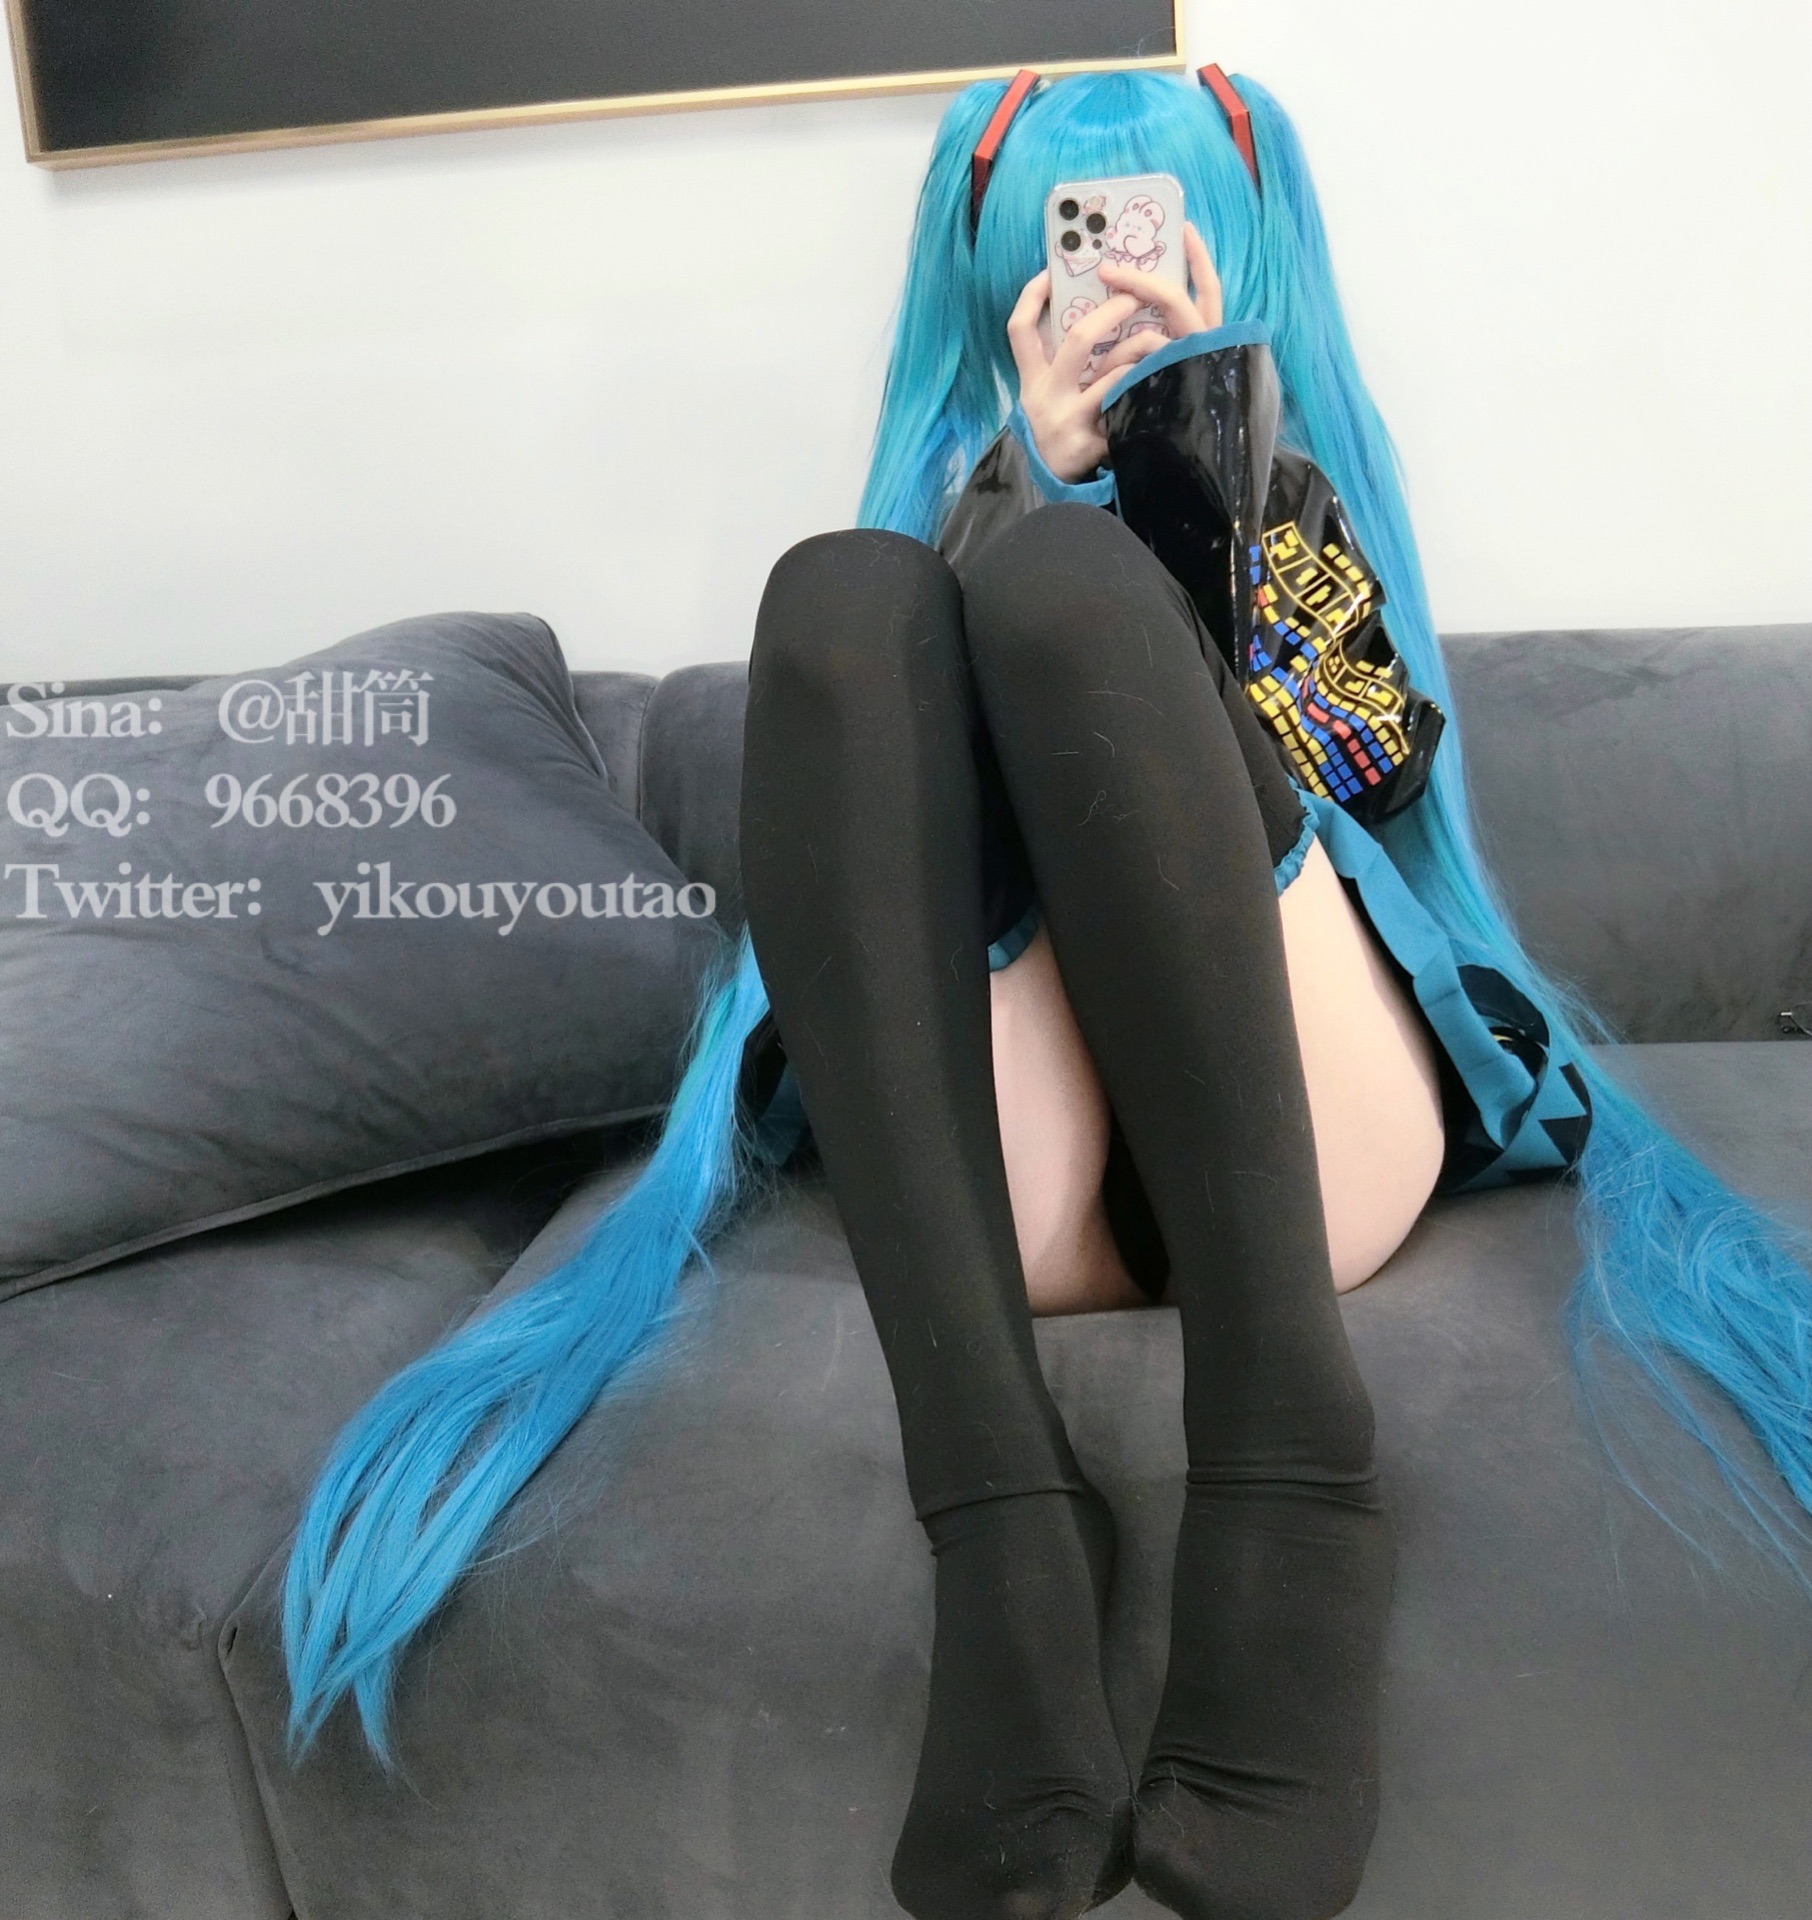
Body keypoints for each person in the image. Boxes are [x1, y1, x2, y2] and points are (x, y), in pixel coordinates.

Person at [280, 67, 1812, 1920]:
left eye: (1150, 242)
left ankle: (1291, 1473)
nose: (1114, 278)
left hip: (1304, 1136)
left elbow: (1375, 760)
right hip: (1033, 1182)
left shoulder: (1287, 500)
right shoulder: (962, 520)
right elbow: (889, 824)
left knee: (1071, 598)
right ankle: (999, 1518)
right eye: (1069, 249)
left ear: (1227, 252)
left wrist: (1194, 466)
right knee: (842, 597)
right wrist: (1023, 479)